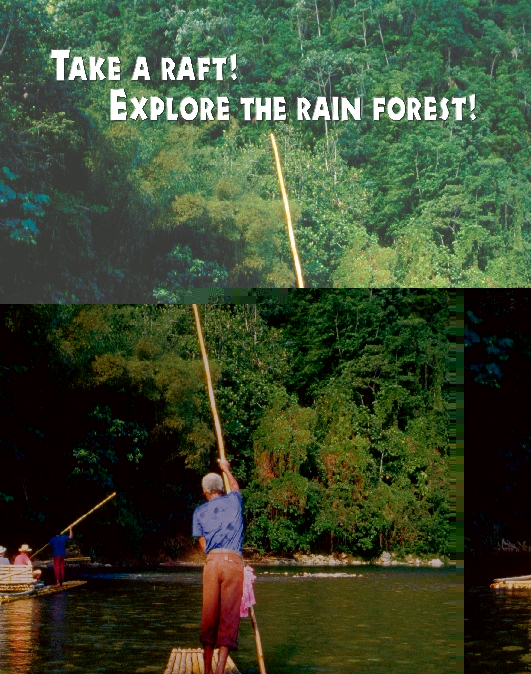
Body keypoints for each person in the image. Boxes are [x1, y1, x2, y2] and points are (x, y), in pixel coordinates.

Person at [193, 459, 244, 674]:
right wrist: (227, 469)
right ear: (220, 489)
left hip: (212, 562)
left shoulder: (199, 511)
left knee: (209, 614)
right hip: (233, 562)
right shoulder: (234, 501)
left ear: (205, 491)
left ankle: (207, 671)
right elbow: (235, 487)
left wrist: (213, 554)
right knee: (229, 616)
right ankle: (220, 669)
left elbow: (202, 542)